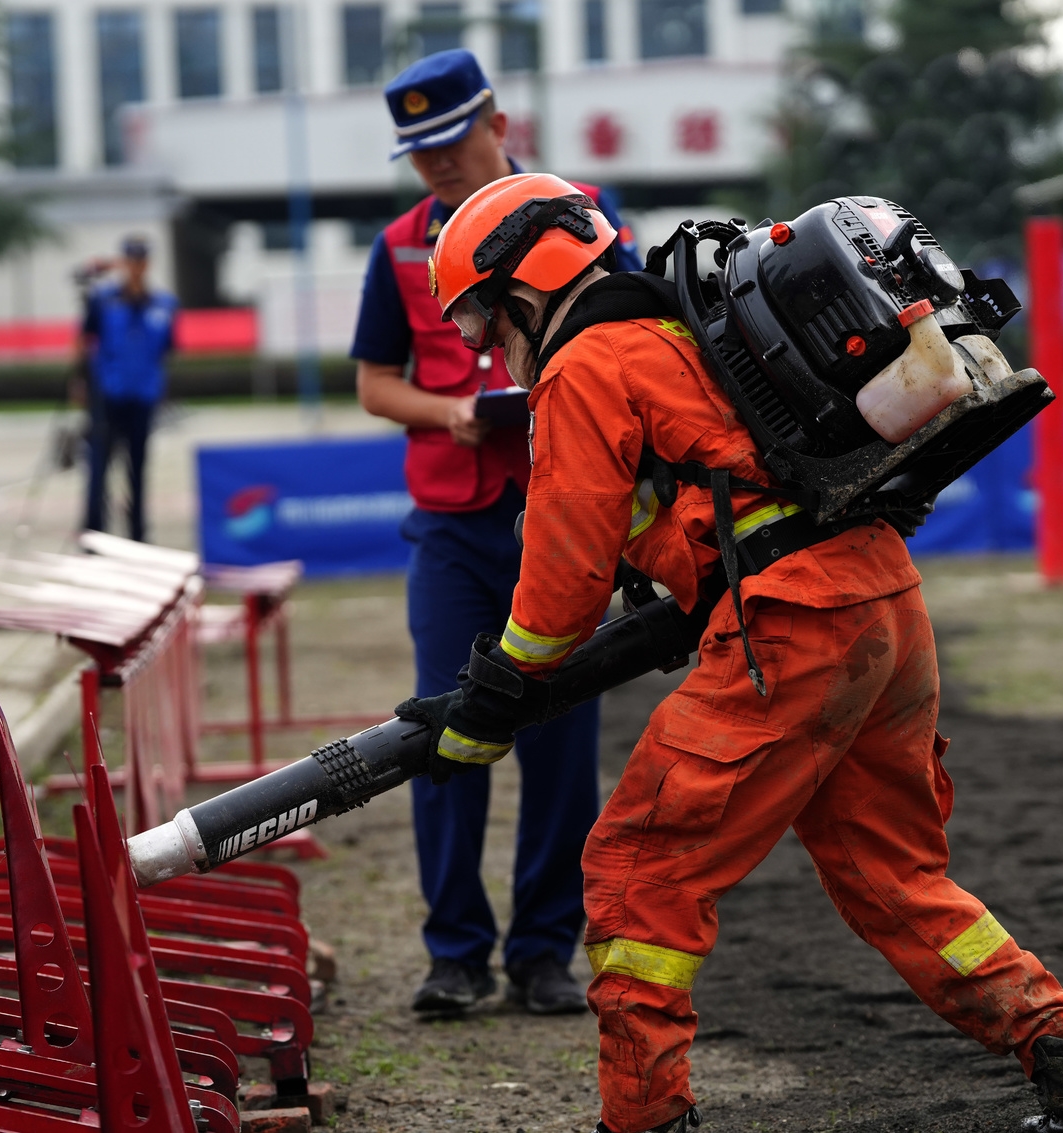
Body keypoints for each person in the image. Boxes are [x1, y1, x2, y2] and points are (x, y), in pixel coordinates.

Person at [407, 173, 1063, 1133]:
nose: (486, 352)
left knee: (638, 873)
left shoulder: (586, 365)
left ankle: (644, 1119)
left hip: (793, 623)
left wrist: (489, 698)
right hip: (880, 599)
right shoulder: (680, 329)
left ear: (527, 287)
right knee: (897, 878)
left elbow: (559, 589)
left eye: (479, 323)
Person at [350, 48, 643, 1017]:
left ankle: (543, 953)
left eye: (448, 139)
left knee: (560, 743)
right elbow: (371, 381)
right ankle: (454, 953)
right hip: (451, 525)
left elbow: (639, 338)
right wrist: (451, 413)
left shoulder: (584, 213)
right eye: (416, 149)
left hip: (566, 516)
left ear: (496, 123)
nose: (433, 162)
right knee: (442, 729)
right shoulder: (398, 245)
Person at [80, 235, 177, 542]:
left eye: (141, 260)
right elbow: (85, 340)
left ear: (147, 263)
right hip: (107, 395)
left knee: (138, 470)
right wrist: (81, 382)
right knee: (99, 468)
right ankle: (94, 534)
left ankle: (138, 536)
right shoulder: (104, 300)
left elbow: (166, 351)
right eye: (130, 260)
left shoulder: (163, 304)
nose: (136, 266)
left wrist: (161, 389)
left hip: (143, 395)